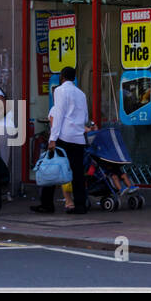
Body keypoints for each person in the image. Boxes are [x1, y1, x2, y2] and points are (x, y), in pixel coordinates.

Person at [33, 67, 90, 214]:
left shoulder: (59, 91)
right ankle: (80, 205)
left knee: (52, 167)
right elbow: (85, 118)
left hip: (63, 136)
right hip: (78, 137)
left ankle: (47, 204)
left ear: (62, 77)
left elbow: (58, 115)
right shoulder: (81, 94)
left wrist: (52, 139)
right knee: (77, 173)